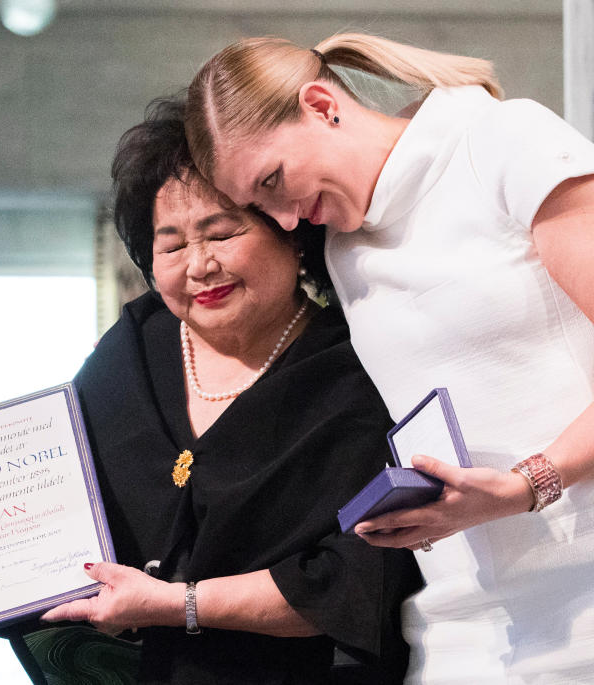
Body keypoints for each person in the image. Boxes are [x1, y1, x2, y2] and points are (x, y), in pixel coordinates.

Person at [183, 33, 594, 683]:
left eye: (274, 181)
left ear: (321, 105)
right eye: (258, 206)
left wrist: (527, 482)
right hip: (464, 632)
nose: (286, 221)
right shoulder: (346, 254)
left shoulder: (499, 141)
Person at [40, 96, 420, 684]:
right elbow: (53, 500)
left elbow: (354, 580)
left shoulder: (355, 373)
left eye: (221, 233)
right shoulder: (134, 348)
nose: (198, 265)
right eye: (170, 246)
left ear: (291, 231)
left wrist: (176, 604)